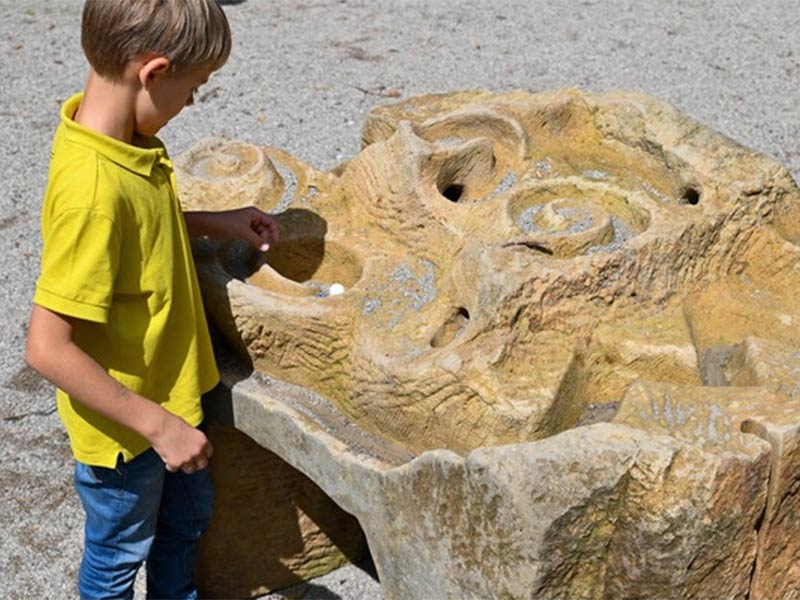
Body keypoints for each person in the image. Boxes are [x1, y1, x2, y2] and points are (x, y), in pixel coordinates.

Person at [24, 1, 279, 598]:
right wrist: (160, 428)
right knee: (118, 555)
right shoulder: (93, 191)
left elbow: (138, 234)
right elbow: (47, 348)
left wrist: (215, 221)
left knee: (185, 527)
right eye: (194, 88)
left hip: (173, 401)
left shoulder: (124, 142)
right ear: (154, 72)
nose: (191, 103)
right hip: (131, 435)